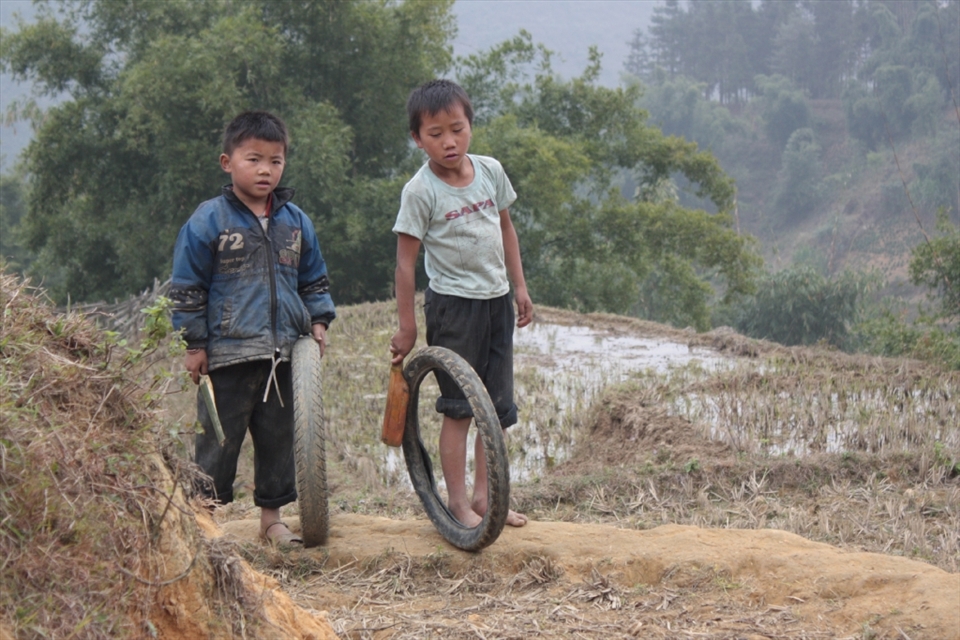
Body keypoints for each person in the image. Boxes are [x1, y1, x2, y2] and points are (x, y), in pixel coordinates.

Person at [170, 111, 336, 546]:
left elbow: (313, 279)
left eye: (276, 161)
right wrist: (194, 344)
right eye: (254, 159)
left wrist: (318, 321)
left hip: (283, 353)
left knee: (278, 438)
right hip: (228, 354)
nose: (266, 170)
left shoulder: (295, 222)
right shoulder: (208, 221)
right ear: (228, 162)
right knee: (218, 442)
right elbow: (187, 286)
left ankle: (272, 519)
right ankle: (204, 523)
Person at [389, 79, 533, 528]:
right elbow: (405, 266)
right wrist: (408, 327)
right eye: (435, 134)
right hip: (453, 307)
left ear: (470, 125)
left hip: (496, 302)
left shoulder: (490, 171)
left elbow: (506, 229)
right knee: (460, 410)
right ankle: (456, 503)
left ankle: (487, 499)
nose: (449, 142)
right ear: (417, 138)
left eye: (457, 128)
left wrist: (520, 287)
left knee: (496, 409)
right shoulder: (421, 192)